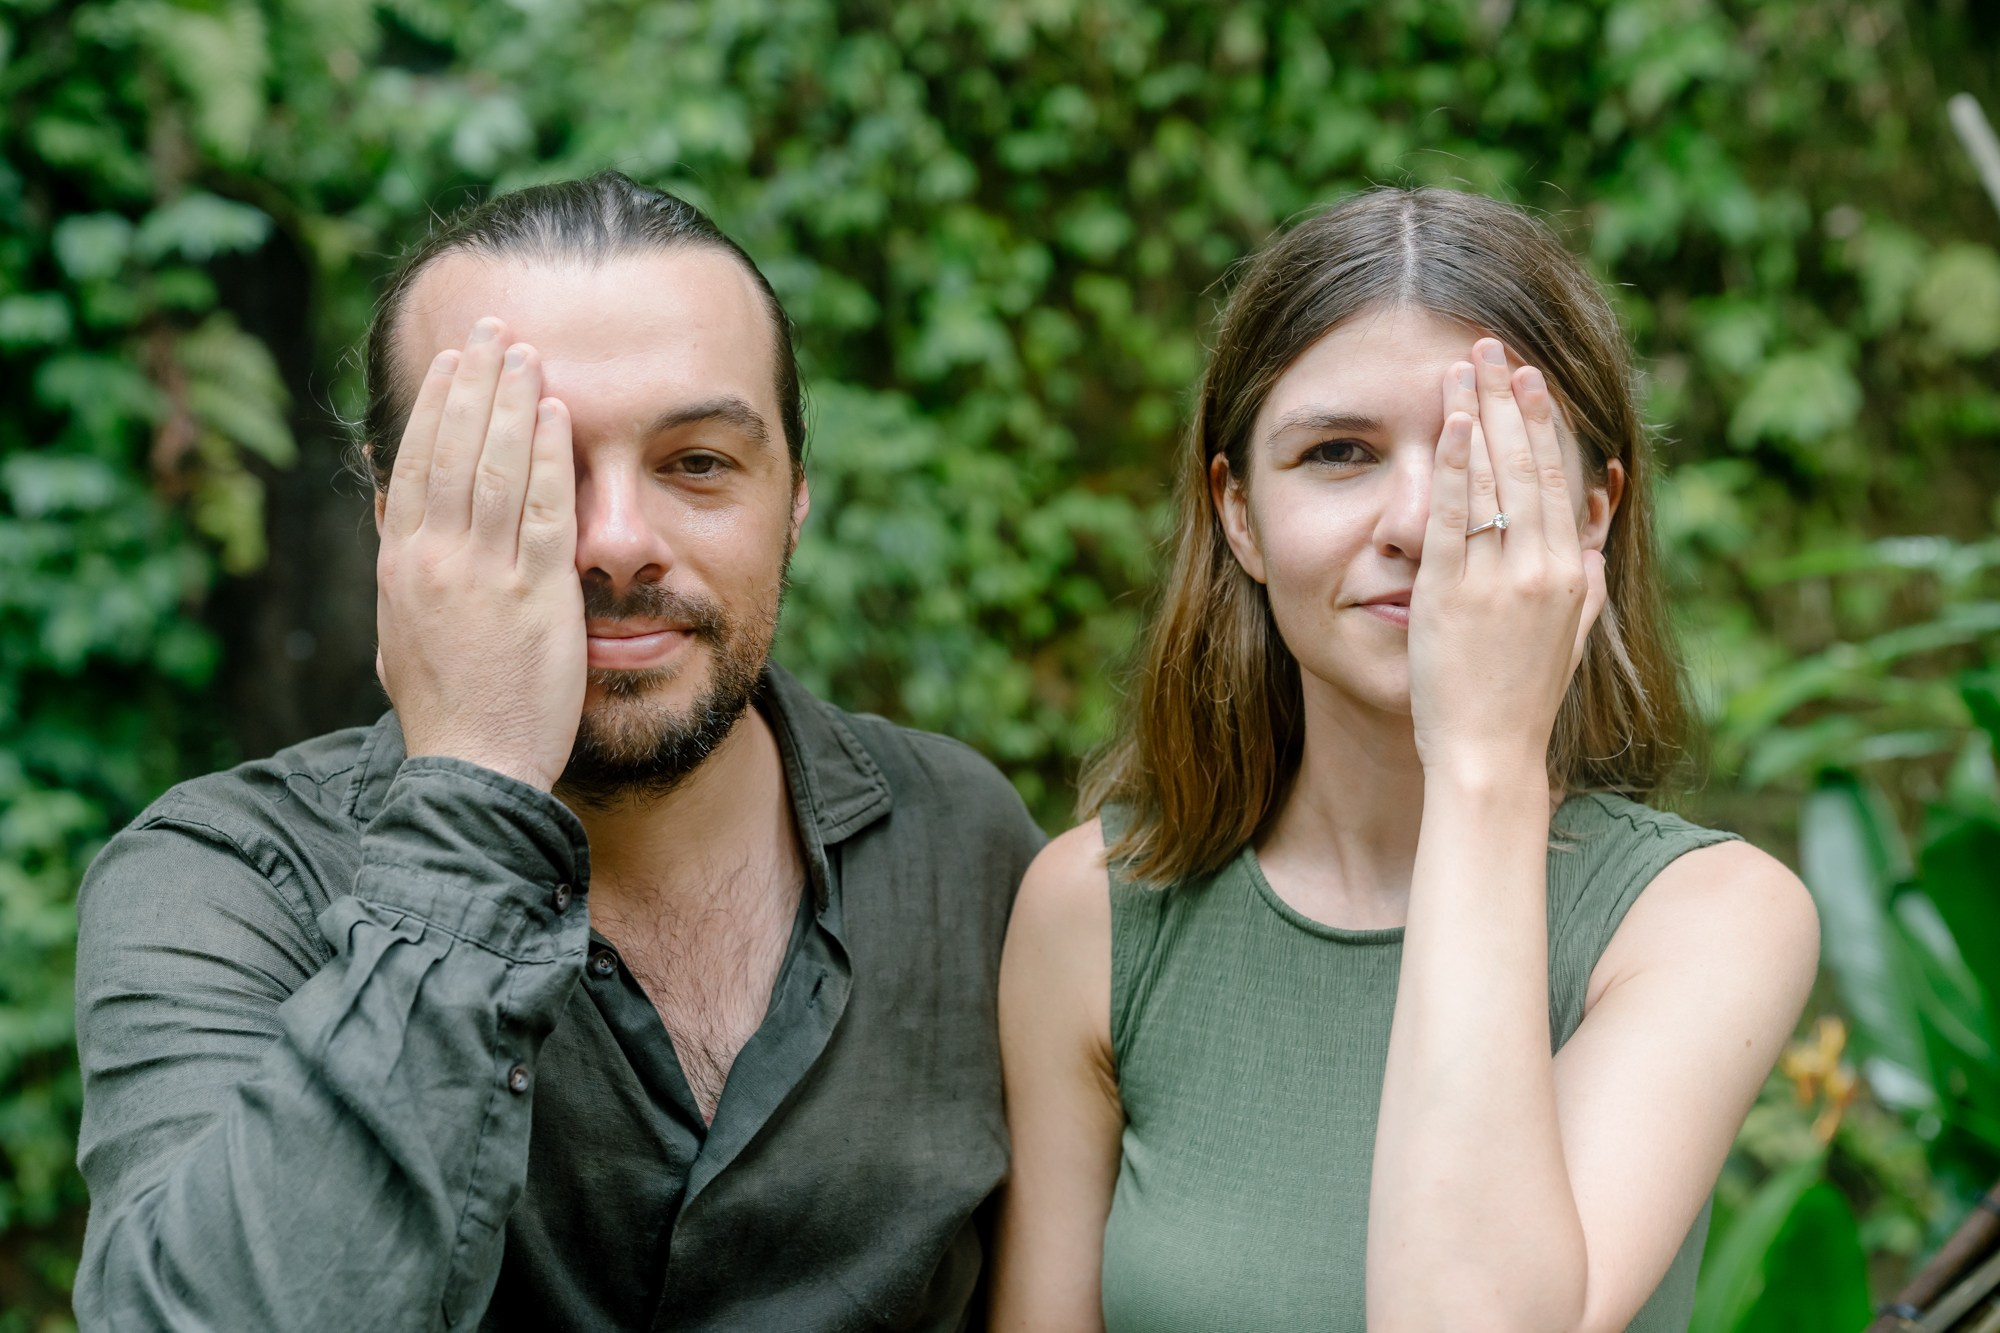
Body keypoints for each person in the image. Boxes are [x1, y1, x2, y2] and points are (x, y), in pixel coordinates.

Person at [72, 172, 1044, 1331]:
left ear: (794, 498)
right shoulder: (219, 886)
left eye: (697, 463)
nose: (617, 543)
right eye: (523, 474)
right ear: (395, 516)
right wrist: (477, 777)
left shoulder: (966, 843)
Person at [989, 188, 1820, 1333]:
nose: (1416, 519)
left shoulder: (1701, 918)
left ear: (1589, 512)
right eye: (1337, 453)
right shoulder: (1091, 912)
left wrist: (1480, 759)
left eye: (1480, 454)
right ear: (1239, 515)